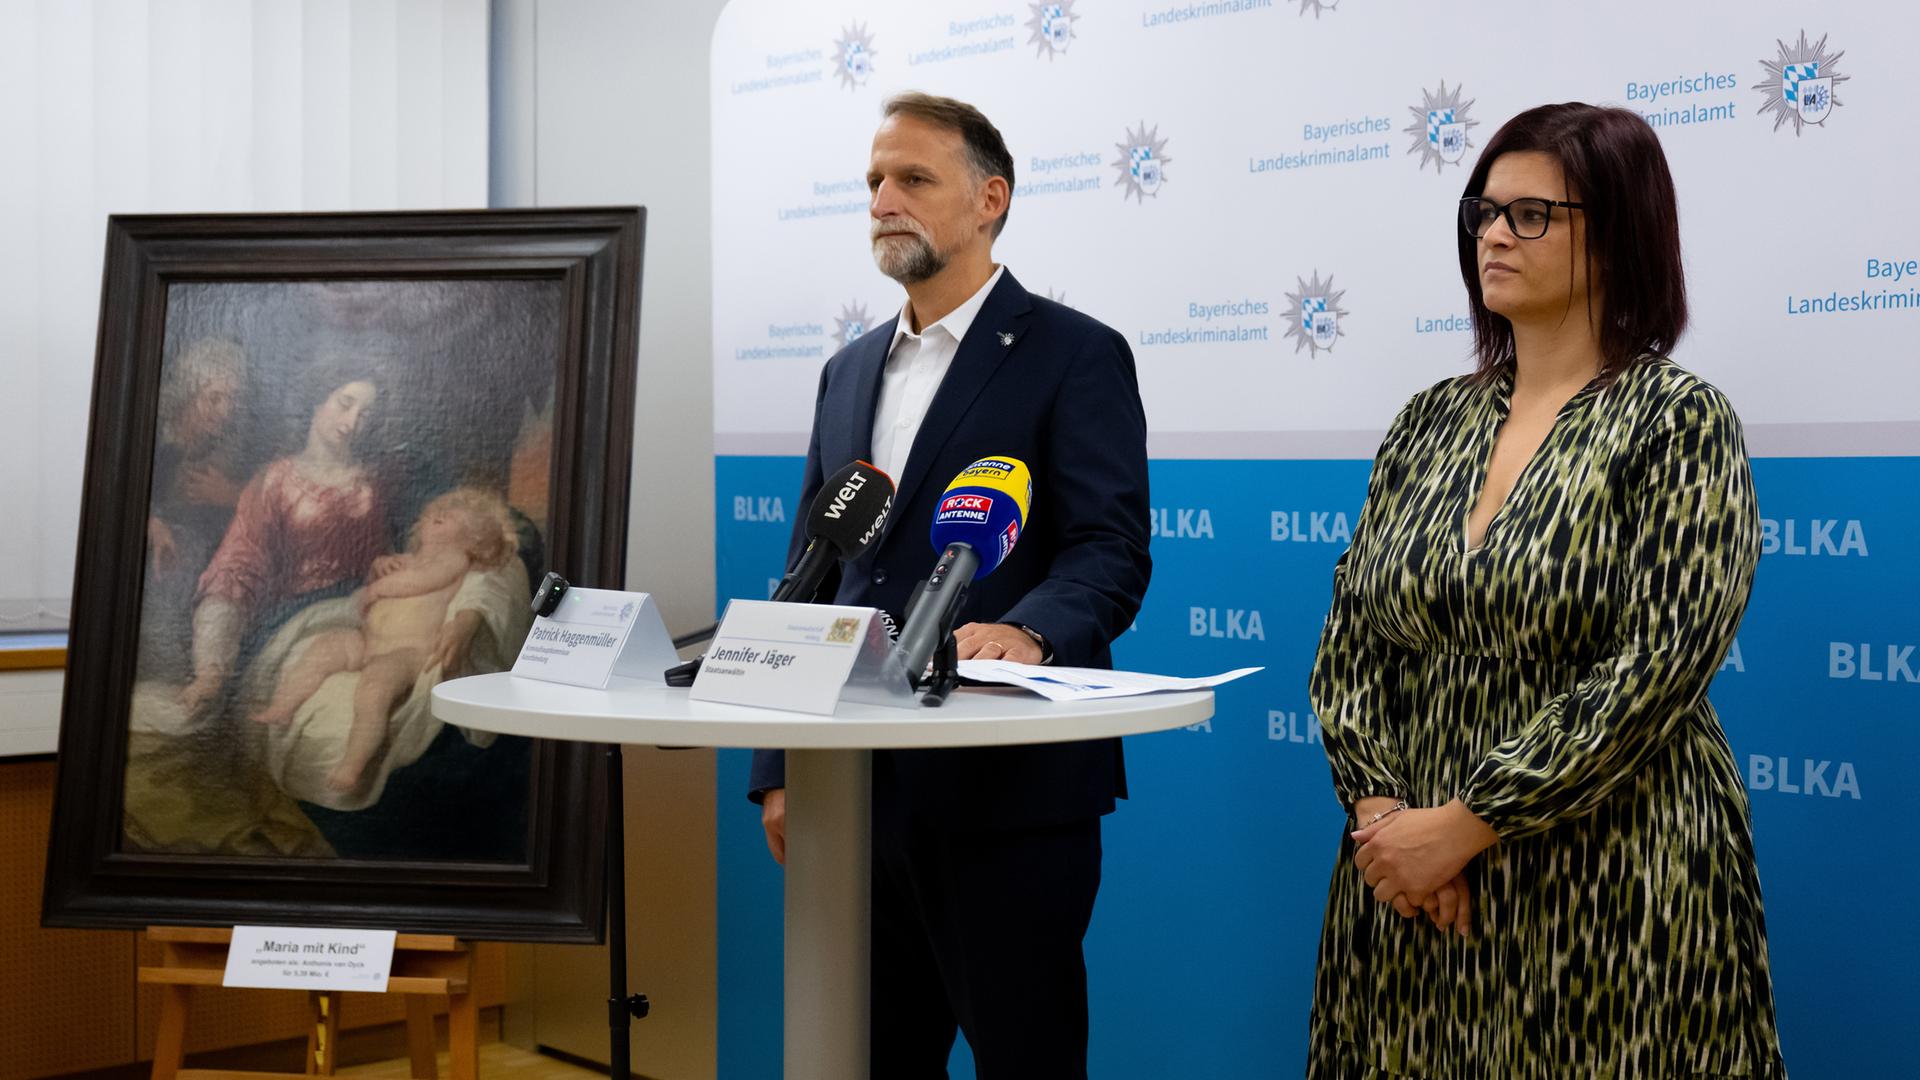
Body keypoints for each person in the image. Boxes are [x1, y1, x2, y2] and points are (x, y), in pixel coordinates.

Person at [1308, 102, 1785, 1077]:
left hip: (1609, 876)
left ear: (1616, 230)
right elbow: (1352, 642)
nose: (1492, 233)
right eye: (1483, 210)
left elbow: (1658, 666)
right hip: (1405, 881)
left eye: (1531, 214)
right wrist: (1388, 821)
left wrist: (1469, 823)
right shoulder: (1429, 421)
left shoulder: (1677, 420)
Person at [748, 92, 1151, 1078]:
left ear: (990, 200)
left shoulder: (1074, 355)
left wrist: (1031, 633)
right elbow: (811, 572)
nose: (885, 199)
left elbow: (1108, 550)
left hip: (1007, 792)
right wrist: (777, 766)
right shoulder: (847, 371)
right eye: (875, 181)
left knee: (1027, 1058)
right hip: (856, 791)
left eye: (914, 179)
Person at [250, 487, 519, 792]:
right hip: (368, 641)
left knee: (374, 692)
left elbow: (419, 582)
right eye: (436, 513)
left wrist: (379, 589)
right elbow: (378, 586)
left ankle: (352, 765)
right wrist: (377, 570)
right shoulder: (405, 559)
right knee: (323, 649)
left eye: (453, 516)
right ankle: (284, 707)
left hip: (407, 652)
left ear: (475, 539)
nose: (439, 515)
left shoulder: (454, 560)